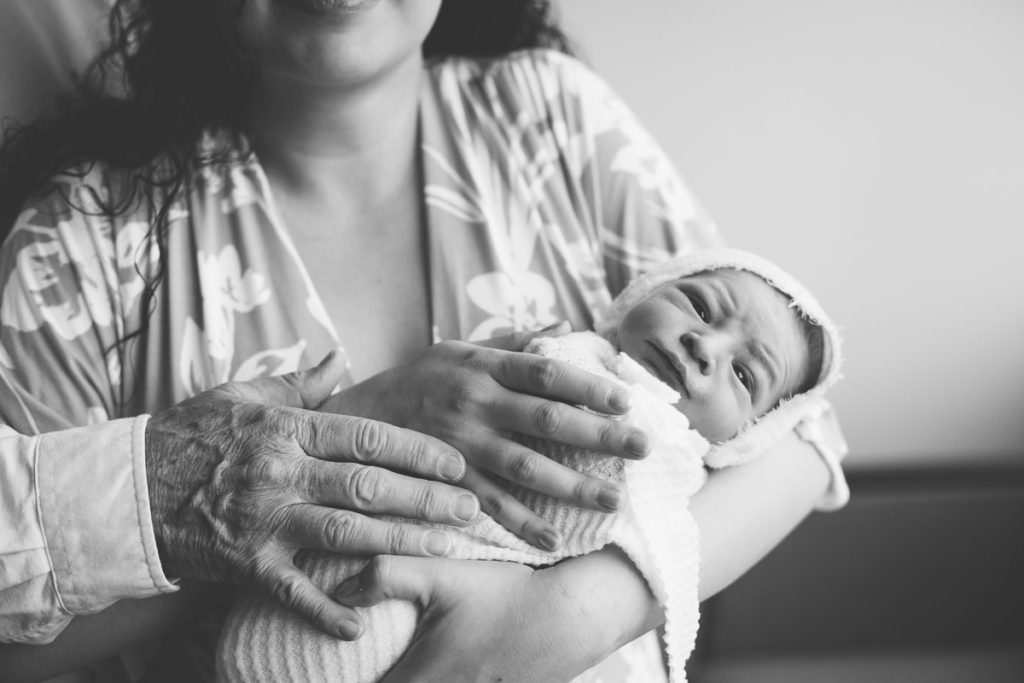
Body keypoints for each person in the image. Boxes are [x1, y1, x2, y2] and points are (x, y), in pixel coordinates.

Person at [0, 1, 848, 681]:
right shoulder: (77, 247)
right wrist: (315, 457)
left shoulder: (551, 118)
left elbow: (802, 429)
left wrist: (575, 615)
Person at [216, 248, 847, 683]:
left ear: (745, 439)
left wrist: (576, 611)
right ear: (637, 297)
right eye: (699, 308)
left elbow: (821, 427)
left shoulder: (685, 465)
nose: (703, 346)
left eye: (743, 373)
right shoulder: (557, 357)